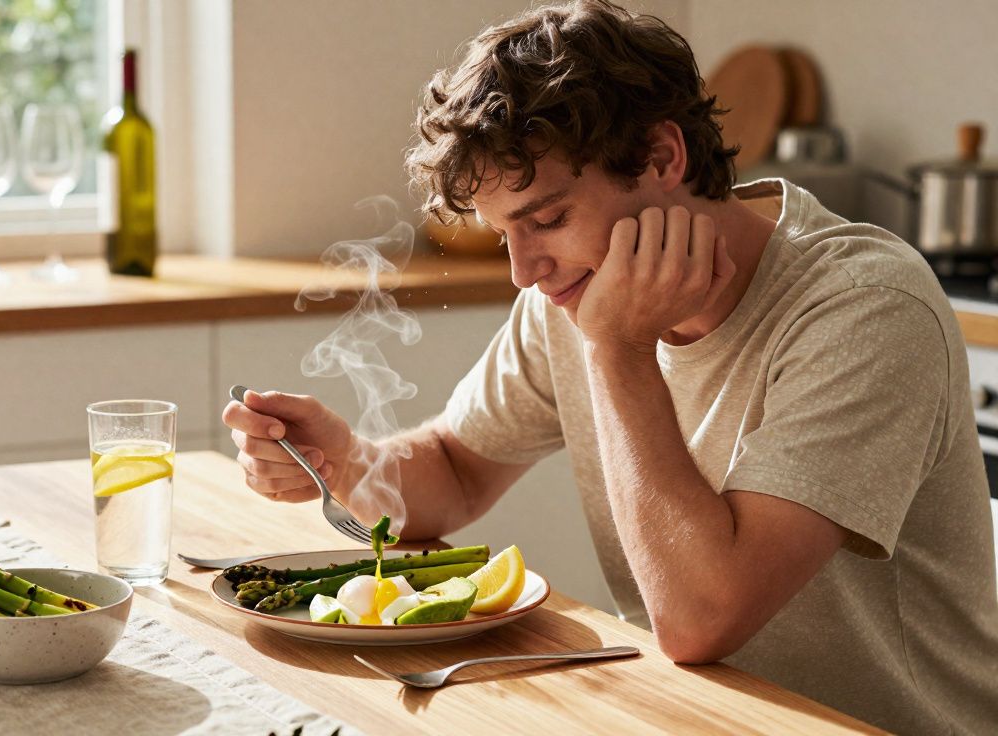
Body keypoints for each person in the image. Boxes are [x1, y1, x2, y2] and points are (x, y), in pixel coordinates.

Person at [221, 1, 998, 732]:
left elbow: (701, 620)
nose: (526, 272)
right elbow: (456, 472)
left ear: (662, 156)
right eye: (504, 236)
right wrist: (348, 460)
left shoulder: (863, 306)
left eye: (548, 219)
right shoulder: (572, 291)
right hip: (690, 716)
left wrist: (619, 351)